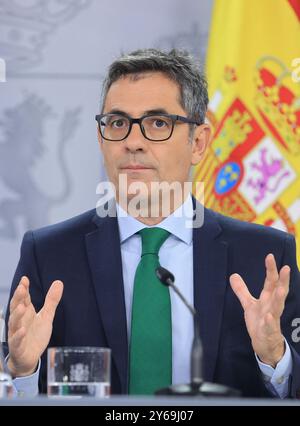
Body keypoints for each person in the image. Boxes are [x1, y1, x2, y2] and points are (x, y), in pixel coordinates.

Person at [5, 49, 300, 398]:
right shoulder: (49, 254)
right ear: (101, 139)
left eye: (157, 123)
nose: (132, 142)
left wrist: (275, 358)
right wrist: (22, 371)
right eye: (117, 123)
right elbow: (18, 385)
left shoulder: (263, 257)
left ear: (199, 143)